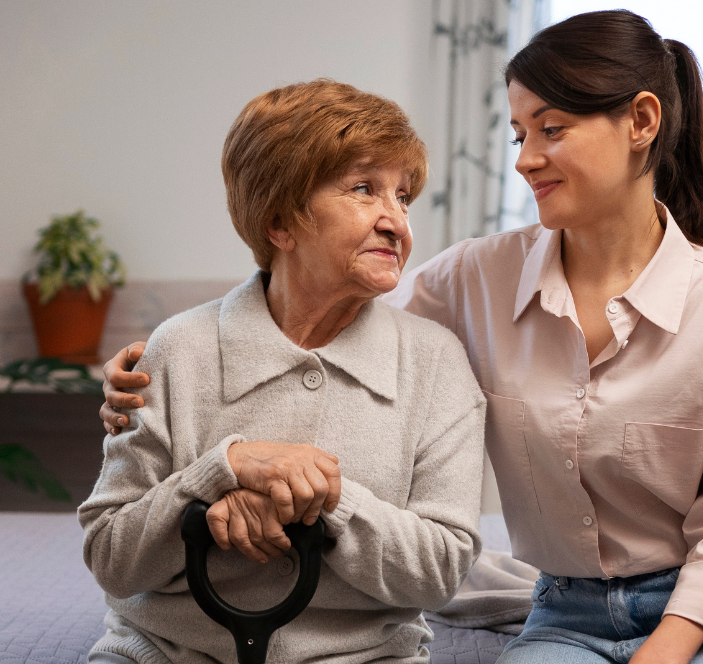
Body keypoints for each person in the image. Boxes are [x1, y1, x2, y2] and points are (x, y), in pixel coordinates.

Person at [100, 11, 703, 664]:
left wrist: (664, 651)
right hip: (569, 612)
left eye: (551, 129)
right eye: (519, 135)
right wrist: (159, 365)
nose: (524, 158)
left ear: (641, 121)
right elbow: (319, 307)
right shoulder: (476, 279)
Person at [79, 79, 486, 664]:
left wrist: (322, 499)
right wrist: (223, 469)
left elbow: (440, 573)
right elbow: (112, 559)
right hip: (166, 651)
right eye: (364, 189)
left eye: (402, 197)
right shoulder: (177, 349)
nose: (397, 222)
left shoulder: (436, 361)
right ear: (279, 224)